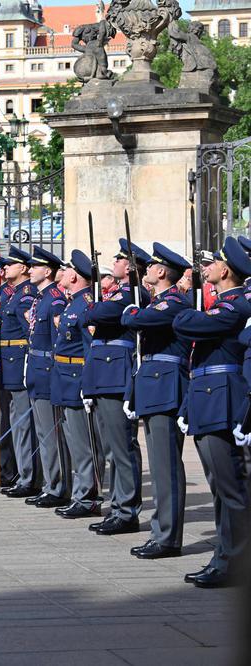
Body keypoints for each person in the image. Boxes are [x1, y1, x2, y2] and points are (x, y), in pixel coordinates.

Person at [174, 237, 251, 588]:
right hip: (207, 400)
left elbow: (187, 325)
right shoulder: (220, 305)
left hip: (223, 402)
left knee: (229, 488)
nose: (205, 269)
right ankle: (224, 554)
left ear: (227, 270)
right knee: (221, 487)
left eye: (213, 264)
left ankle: (232, 561)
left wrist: (188, 307)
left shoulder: (233, 307)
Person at [121, 243, 192, 559]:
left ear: (162, 272)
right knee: (160, 466)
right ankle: (159, 532)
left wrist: (131, 310)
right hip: (153, 386)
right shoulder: (158, 301)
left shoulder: (173, 302)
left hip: (166, 387)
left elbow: (139, 322)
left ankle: (168, 537)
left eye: (151, 265)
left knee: (167, 467)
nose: (146, 269)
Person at [79, 239, 150, 535]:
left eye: (119, 260)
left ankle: (127, 511)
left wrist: (97, 307)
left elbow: (100, 315)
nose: (114, 263)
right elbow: (88, 316)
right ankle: (118, 506)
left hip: (116, 374)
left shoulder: (135, 293)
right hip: (102, 373)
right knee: (111, 447)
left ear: (131, 266)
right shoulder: (116, 293)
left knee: (123, 447)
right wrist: (96, 308)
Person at [52, 250, 102, 520]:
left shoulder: (86, 304)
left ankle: (88, 497)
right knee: (73, 440)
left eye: (67, 269)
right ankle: (79, 493)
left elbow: (91, 348)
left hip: (76, 379)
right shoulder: (73, 303)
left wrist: (88, 384)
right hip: (63, 377)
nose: (64, 272)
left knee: (85, 444)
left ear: (74, 275)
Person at [24, 247, 70, 509]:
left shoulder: (54, 300)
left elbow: (58, 344)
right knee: (43, 432)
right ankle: (49, 484)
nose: (31, 270)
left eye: (35, 267)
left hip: (47, 372)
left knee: (51, 433)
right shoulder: (40, 298)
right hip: (36, 370)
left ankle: (57, 486)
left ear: (47, 271)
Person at [0, 247, 39, 498]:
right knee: (15, 421)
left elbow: (30, 334)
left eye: (10, 265)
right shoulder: (13, 295)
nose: (5, 269)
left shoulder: (26, 296)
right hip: (8, 363)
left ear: (22, 268)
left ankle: (29, 478)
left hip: (19, 362)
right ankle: (19, 472)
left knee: (23, 424)